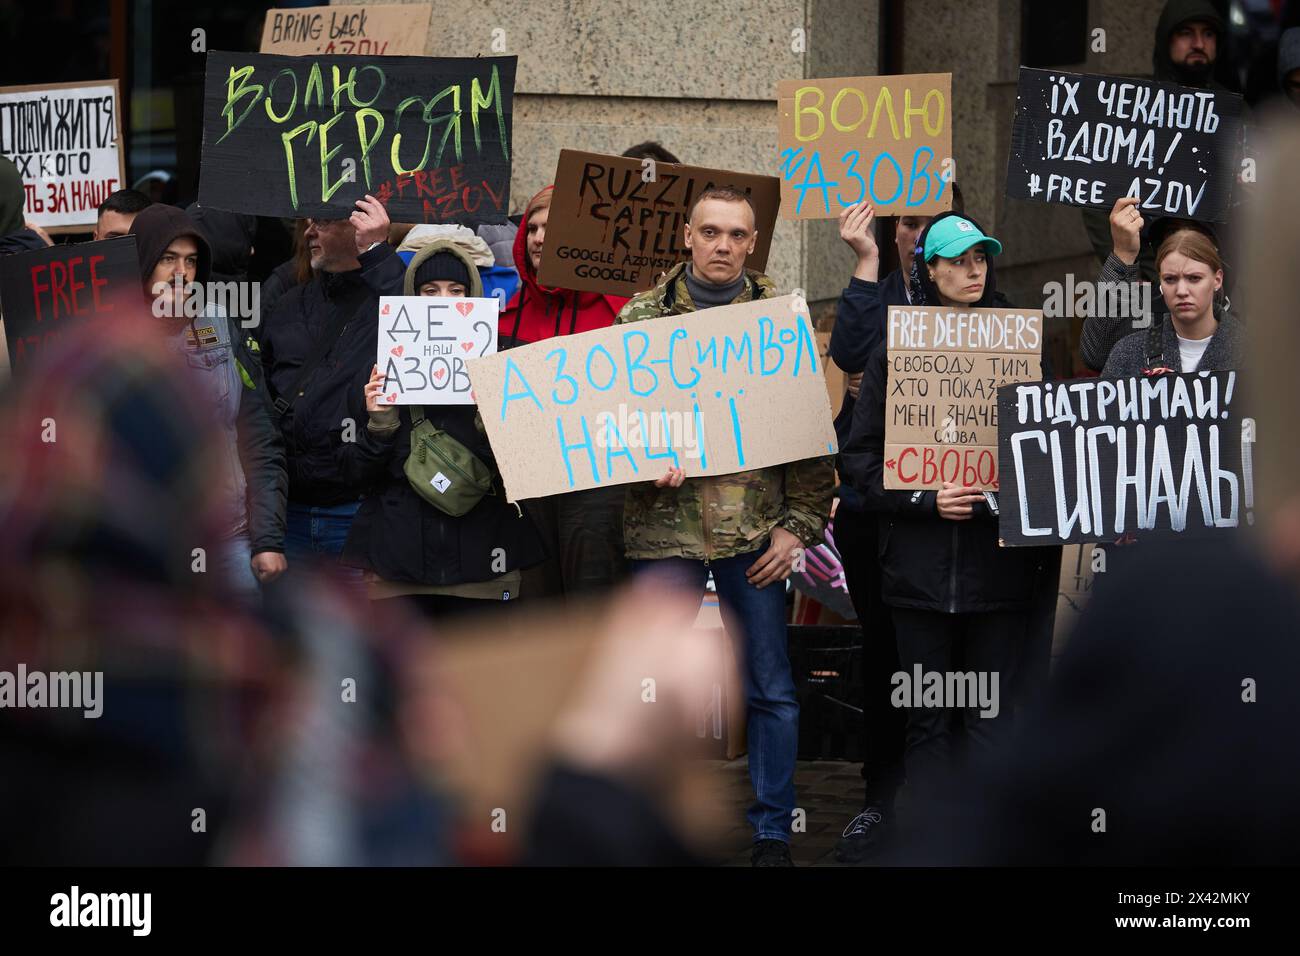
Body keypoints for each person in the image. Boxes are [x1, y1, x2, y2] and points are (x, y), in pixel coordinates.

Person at [617, 185, 836, 866]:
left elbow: (807, 439)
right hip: (663, 536)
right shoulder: (639, 319)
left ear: (752, 243)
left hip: (753, 537)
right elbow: (604, 432)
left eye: (736, 235)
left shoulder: (777, 323)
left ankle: (772, 832)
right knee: (649, 685)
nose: (721, 246)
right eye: (709, 232)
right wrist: (639, 462)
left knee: (769, 688)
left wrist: (797, 527)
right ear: (686, 237)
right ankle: (649, 823)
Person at [839, 212, 1057, 848]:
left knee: (989, 718)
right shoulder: (894, 347)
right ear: (928, 269)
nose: (973, 271)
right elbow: (859, 460)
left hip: (996, 573)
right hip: (917, 575)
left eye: (981, 259)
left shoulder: (1020, 341)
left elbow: (1044, 456)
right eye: (958, 260)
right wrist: (925, 500)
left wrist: (992, 500)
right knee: (927, 720)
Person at [826, 190, 965, 862]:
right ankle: (881, 798)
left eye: (934, 224)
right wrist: (864, 259)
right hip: (877, 512)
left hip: (957, 521)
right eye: (909, 223)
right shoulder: (876, 292)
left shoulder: (987, 312)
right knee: (887, 653)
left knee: (957, 665)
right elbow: (847, 352)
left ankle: (957, 799)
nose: (919, 234)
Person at [335, 226, 547, 620]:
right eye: (430, 291)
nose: (443, 302)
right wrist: (380, 425)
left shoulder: (505, 363)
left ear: (474, 296)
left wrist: (493, 417)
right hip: (397, 573)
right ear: (412, 297)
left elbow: (532, 469)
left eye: (456, 290)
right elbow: (351, 474)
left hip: (484, 574)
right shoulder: (379, 367)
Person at [128, 203, 287, 598]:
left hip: (228, 541)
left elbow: (260, 437)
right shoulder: (113, 343)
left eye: (191, 261)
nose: (181, 274)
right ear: (143, 260)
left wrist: (267, 540)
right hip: (144, 555)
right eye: (168, 259)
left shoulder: (219, 322)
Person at [258, 197, 405, 576]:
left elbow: (420, 327)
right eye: (308, 221)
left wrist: (377, 251)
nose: (308, 231)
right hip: (288, 518)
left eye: (322, 220)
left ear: (358, 225)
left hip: (358, 515)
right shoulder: (286, 305)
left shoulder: (389, 300)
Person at [499, 185, 633, 599]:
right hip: (529, 496)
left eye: (552, 228)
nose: (540, 237)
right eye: (533, 228)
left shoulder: (623, 312)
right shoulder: (505, 320)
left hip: (600, 492)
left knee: (593, 615)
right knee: (536, 620)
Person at [1081, 0, 1236, 280]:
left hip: (1221, 285)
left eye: (1209, 34)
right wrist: (1132, 272)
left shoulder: (1237, 115)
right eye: (1186, 33)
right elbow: (1097, 195)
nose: (1199, 43)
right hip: (1151, 282)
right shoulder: (1137, 111)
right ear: (1167, 39)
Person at [1102, 227, 1244, 377]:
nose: (1181, 291)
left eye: (1194, 278)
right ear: (1160, 283)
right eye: (1170, 279)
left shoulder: (1255, 354)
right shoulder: (1128, 354)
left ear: (1217, 280)